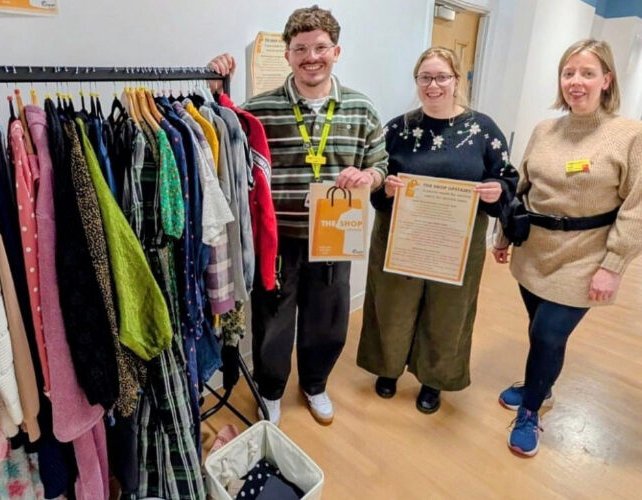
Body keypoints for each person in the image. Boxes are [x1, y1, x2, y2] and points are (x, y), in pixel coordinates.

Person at [209, 5, 388, 426]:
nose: (312, 56)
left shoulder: (361, 108)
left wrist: (367, 177)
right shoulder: (261, 108)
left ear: (336, 51)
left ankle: (315, 384)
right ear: (288, 55)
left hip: (336, 235)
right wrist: (216, 88)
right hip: (277, 238)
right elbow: (224, 137)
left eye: (320, 47)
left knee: (327, 318)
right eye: (301, 48)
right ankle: (270, 391)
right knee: (272, 320)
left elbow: (380, 165)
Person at [493, 39, 642, 457]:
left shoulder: (629, 135)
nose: (576, 81)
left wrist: (613, 266)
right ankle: (540, 385)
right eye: (569, 73)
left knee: (547, 332)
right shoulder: (544, 130)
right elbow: (523, 188)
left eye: (588, 73)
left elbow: (637, 207)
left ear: (607, 80)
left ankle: (530, 411)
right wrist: (505, 235)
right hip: (535, 250)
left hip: (585, 255)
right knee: (540, 331)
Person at [356, 47, 518, 414]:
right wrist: (386, 187)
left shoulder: (484, 130)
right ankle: (388, 369)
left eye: (442, 77)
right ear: (417, 82)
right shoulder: (397, 129)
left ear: (456, 80)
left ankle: (434, 379)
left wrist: (496, 191)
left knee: (448, 312)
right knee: (392, 304)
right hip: (401, 236)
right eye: (425, 77)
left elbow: (507, 179)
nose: (433, 85)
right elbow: (376, 176)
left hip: (456, 241)